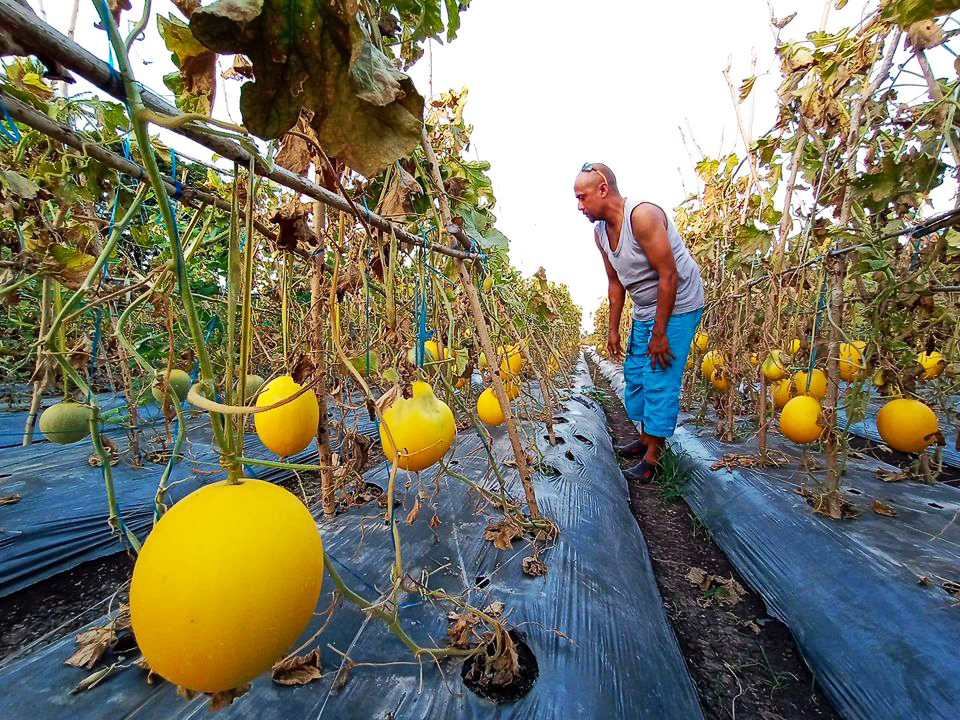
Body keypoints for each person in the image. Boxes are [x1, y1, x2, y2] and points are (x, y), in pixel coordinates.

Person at [575, 163, 705, 482]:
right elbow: (616, 283)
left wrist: (660, 333)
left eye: (582, 197)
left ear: (603, 190)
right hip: (646, 307)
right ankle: (646, 438)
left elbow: (669, 275)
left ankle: (654, 459)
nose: (579, 206)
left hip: (679, 302)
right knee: (634, 375)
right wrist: (613, 328)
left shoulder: (642, 217)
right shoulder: (600, 234)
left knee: (659, 375)